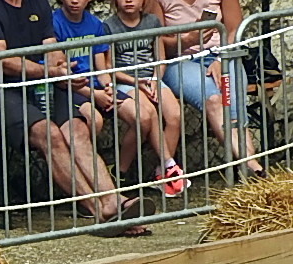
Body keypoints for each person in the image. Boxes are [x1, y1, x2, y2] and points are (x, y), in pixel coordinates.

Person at [0, 0, 140, 227]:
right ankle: (99, 210)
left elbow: (51, 47)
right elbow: (2, 61)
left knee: (77, 129)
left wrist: (63, 68)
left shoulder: (37, 3)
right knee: (48, 133)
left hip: (38, 84)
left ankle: (114, 200)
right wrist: (51, 72)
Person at [54, 0, 180, 194]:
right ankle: (86, 186)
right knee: (92, 122)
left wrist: (109, 87)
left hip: (99, 87)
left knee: (143, 117)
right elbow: (60, 75)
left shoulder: (94, 24)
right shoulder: (54, 23)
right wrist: (96, 94)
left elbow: (102, 69)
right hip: (72, 89)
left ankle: (119, 174)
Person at [148, 0, 262, 176]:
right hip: (180, 60)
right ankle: (253, 165)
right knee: (214, 99)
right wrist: (188, 40)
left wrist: (219, 58)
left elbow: (236, 28)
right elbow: (156, 40)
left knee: (232, 105)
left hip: (222, 54)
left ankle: (250, 168)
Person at [108, 0, 188, 194]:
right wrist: (136, 82)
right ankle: (168, 167)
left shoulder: (152, 22)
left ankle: (161, 173)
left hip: (151, 78)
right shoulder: (109, 26)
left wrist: (154, 79)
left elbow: (160, 59)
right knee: (148, 114)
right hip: (126, 81)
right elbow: (109, 66)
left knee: (175, 115)